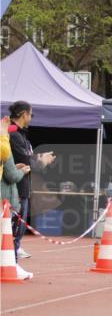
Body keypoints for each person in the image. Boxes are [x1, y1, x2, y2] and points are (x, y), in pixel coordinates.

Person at [8, 101, 56, 259]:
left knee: (18, 229)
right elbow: (27, 163)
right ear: (23, 114)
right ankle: (11, 262)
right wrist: (41, 161)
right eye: (31, 114)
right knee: (15, 229)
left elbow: (28, 159)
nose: (31, 117)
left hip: (23, 188)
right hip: (15, 190)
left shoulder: (21, 135)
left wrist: (39, 158)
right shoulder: (14, 135)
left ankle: (13, 258)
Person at [1, 114, 33, 279]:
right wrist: (21, 170)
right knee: (10, 234)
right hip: (5, 197)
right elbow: (11, 175)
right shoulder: (4, 145)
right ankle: (11, 264)